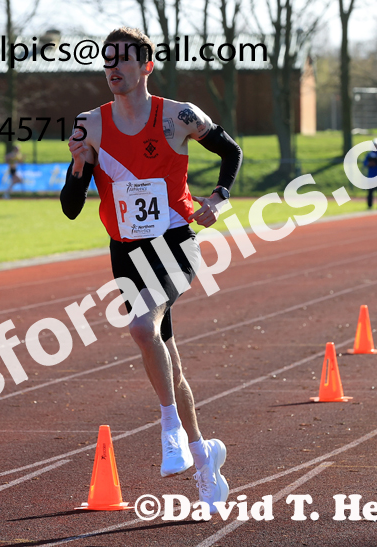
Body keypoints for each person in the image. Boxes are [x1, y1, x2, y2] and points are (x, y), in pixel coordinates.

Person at [59, 27, 242, 514]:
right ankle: (205, 459)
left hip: (175, 242)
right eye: (106, 60)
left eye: (123, 60)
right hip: (125, 251)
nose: (112, 68)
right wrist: (79, 168)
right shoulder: (89, 126)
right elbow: (72, 209)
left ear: (146, 65)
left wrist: (218, 200)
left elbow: (232, 152)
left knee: (142, 325)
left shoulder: (178, 116)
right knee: (167, 358)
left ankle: (170, 431)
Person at [362, 138, 377, 209]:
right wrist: (369, 164)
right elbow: (365, 163)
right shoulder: (370, 154)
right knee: (370, 192)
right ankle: (369, 205)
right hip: (371, 176)